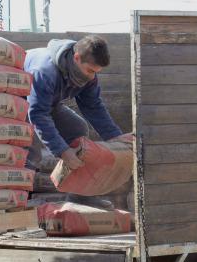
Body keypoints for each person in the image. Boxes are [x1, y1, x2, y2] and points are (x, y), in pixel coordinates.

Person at [25, 36, 130, 200]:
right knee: (30, 147)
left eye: (96, 72)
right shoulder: (45, 71)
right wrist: (62, 151)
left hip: (46, 104)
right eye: (90, 71)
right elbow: (37, 114)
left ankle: (79, 196)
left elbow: (93, 106)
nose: (91, 77)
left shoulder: (88, 75)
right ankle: (20, 202)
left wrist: (115, 137)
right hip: (18, 101)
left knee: (77, 128)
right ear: (76, 58)